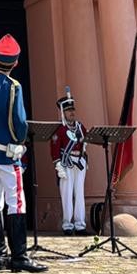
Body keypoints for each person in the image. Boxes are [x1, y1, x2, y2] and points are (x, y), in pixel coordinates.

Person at [0, 34, 46, 273]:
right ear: (15, 62)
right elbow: (20, 122)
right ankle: (20, 256)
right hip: (6, 154)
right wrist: (19, 142)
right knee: (16, 202)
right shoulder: (14, 86)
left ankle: (0, 256)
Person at [51, 90, 87, 235]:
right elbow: (54, 148)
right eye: (68, 110)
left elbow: (85, 142)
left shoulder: (80, 127)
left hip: (79, 162)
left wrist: (84, 158)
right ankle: (67, 225)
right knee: (66, 194)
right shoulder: (59, 129)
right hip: (66, 163)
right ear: (63, 113)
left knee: (79, 193)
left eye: (72, 109)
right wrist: (58, 164)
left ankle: (80, 225)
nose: (72, 113)